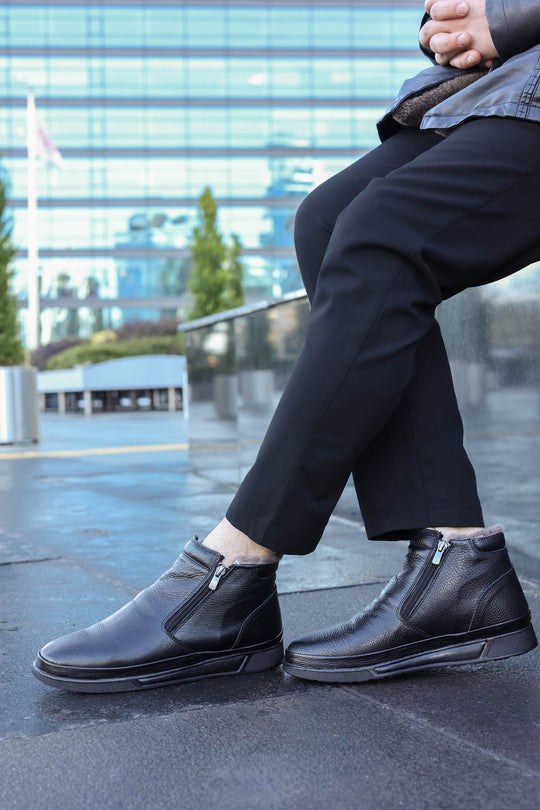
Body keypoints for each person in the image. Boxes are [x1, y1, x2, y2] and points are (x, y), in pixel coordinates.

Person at [33, 0, 539, 692]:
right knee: (327, 221)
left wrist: (505, 18)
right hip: (501, 83)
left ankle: (235, 564)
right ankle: (455, 566)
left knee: (384, 230)